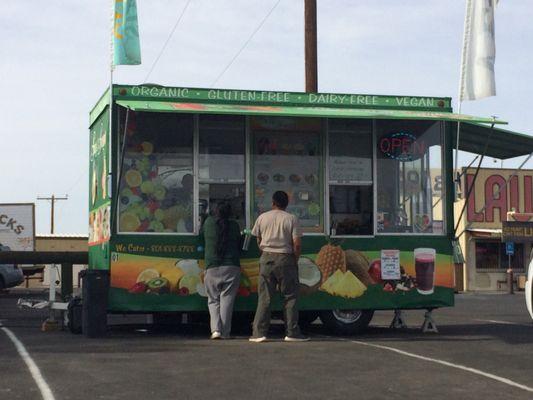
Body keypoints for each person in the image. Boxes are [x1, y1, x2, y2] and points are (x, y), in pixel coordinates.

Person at [249, 191, 309, 342]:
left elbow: (258, 239)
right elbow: (297, 244)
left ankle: (259, 333)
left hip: (266, 258)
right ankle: (292, 333)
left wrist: (265, 251)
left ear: (272, 202)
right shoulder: (291, 219)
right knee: (290, 297)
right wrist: (295, 259)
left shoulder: (262, 217)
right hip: (286, 259)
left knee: (264, 297)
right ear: (287, 203)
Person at [201, 202, 242, 339]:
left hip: (212, 266)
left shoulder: (208, 223)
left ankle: (216, 331)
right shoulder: (235, 226)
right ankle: (225, 332)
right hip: (231, 267)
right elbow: (239, 242)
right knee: (227, 300)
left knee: (213, 300)